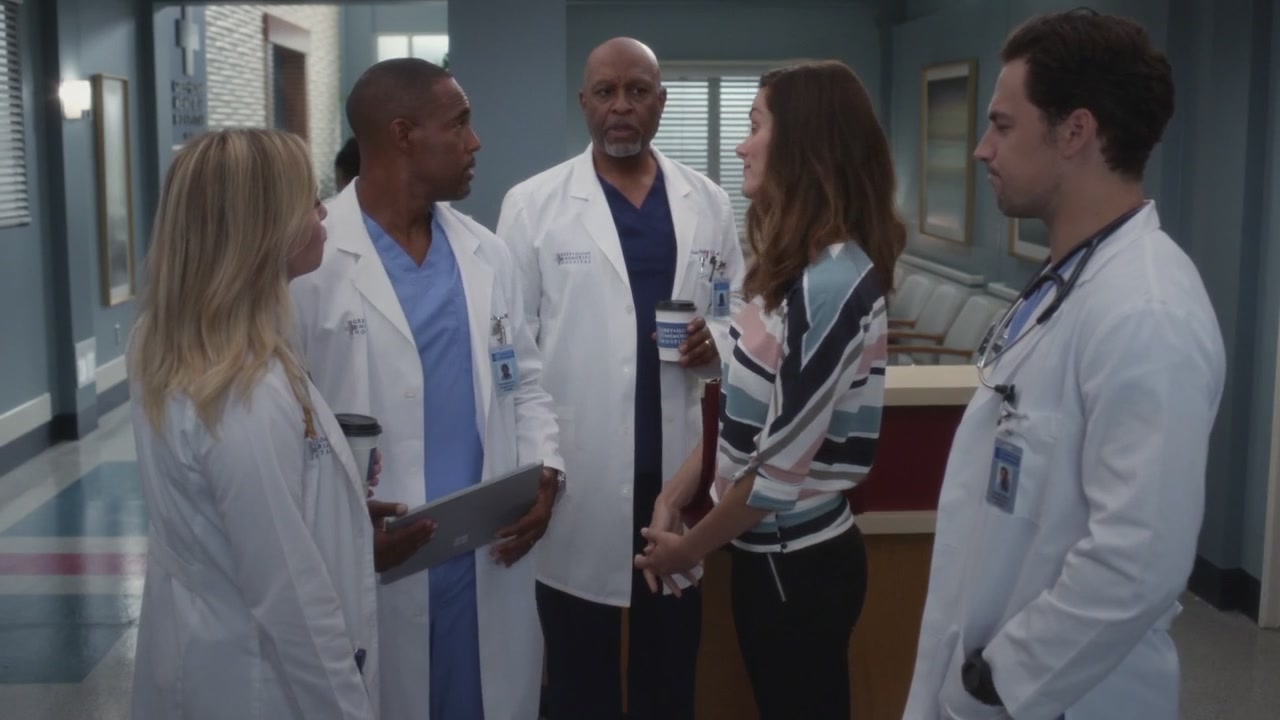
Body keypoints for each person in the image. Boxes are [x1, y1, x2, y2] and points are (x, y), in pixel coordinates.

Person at [903, 10, 1225, 720]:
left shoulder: (1147, 312)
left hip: (1059, 696)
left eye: (1003, 125)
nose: (983, 149)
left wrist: (999, 681)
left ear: (1076, 131)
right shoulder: (1073, 285)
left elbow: (1139, 558)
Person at [291, 58, 565, 720]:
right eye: (460, 124)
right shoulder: (309, 262)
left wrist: (546, 470)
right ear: (403, 134)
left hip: (484, 555)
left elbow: (526, 382)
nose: (476, 142)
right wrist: (342, 534)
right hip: (373, 561)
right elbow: (284, 426)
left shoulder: (486, 252)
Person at [128, 128, 433, 720]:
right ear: (262, 229)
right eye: (308, 201)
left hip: (204, 649)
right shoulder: (241, 390)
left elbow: (237, 513)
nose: (324, 212)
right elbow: (289, 598)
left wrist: (337, 512)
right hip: (258, 684)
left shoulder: (170, 342)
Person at [635, 60, 903, 720]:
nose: (740, 145)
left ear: (803, 144)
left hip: (799, 568)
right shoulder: (789, 273)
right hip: (768, 558)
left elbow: (775, 475)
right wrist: (672, 498)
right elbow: (738, 421)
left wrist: (688, 548)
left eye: (755, 126)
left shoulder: (832, 287)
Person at [497, 36, 744, 720]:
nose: (621, 107)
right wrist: (534, 459)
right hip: (578, 468)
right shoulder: (532, 205)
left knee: (671, 663)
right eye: (605, 92)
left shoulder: (707, 201)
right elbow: (512, 347)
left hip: (678, 471)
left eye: (637, 91)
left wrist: (718, 340)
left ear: (661, 102)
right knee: (578, 671)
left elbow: (736, 309)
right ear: (584, 103)